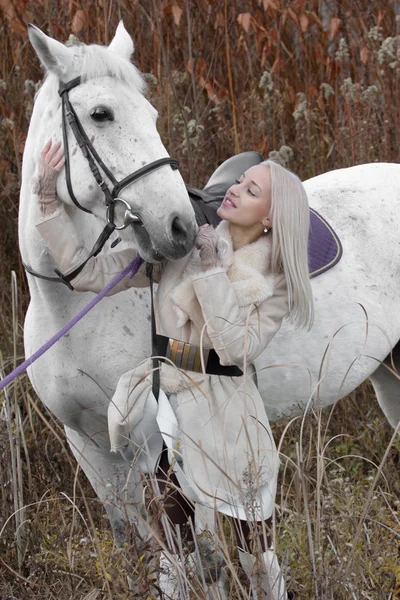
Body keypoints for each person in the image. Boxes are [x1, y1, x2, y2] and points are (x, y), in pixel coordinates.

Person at [33, 140, 313, 600]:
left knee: (256, 553)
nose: (236, 190)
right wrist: (48, 202)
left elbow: (236, 347)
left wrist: (210, 274)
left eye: (252, 190)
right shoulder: (181, 248)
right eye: (240, 182)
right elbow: (86, 274)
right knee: (174, 545)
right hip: (167, 409)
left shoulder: (275, 282)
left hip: (228, 419)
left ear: (270, 218)